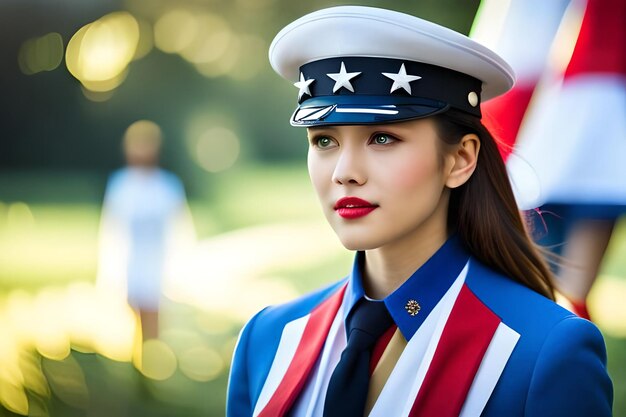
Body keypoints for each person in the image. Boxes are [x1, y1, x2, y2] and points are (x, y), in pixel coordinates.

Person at [227, 6, 613, 417]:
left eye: (381, 137)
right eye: (324, 140)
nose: (345, 173)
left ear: (460, 159)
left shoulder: (546, 354)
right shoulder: (267, 339)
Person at [97, 120, 193, 343]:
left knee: (153, 322)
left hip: (158, 266)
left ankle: (151, 362)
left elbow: (179, 230)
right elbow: (112, 230)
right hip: (131, 265)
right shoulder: (120, 185)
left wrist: (180, 270)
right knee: (131, 323)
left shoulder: (167, 185)